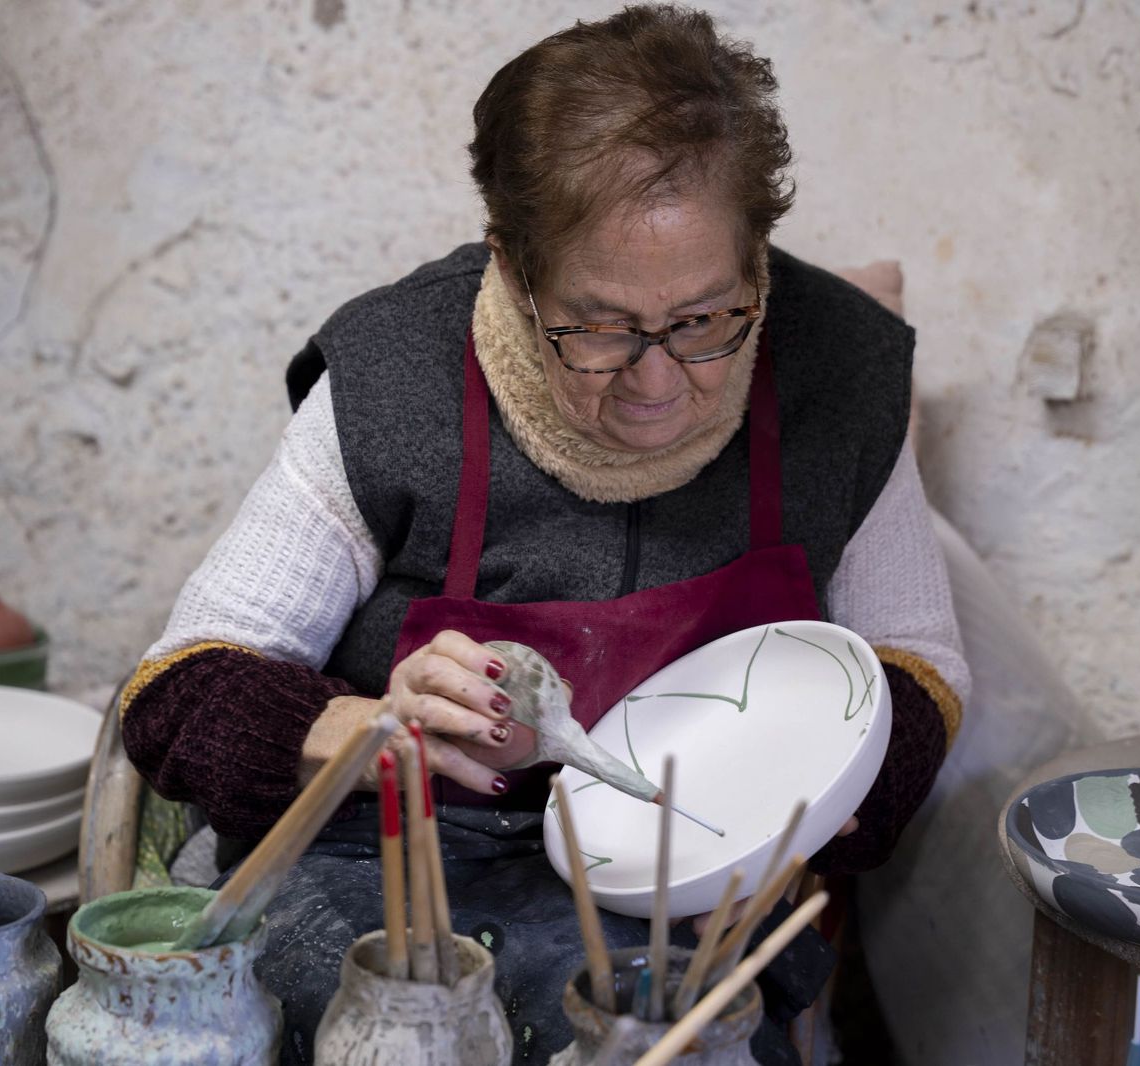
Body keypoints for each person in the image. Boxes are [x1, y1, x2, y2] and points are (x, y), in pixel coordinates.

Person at [121, 6, 969, 1063]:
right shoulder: (398, 371)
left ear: (758, 261)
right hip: (392, 877)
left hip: (685, 899)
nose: (658, 381)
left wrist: (815, 803)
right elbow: (176, 691)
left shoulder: (836, 368)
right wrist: (358, 728)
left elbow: (917, 668)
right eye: (600, 326)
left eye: (705, 318)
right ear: (514, 273)